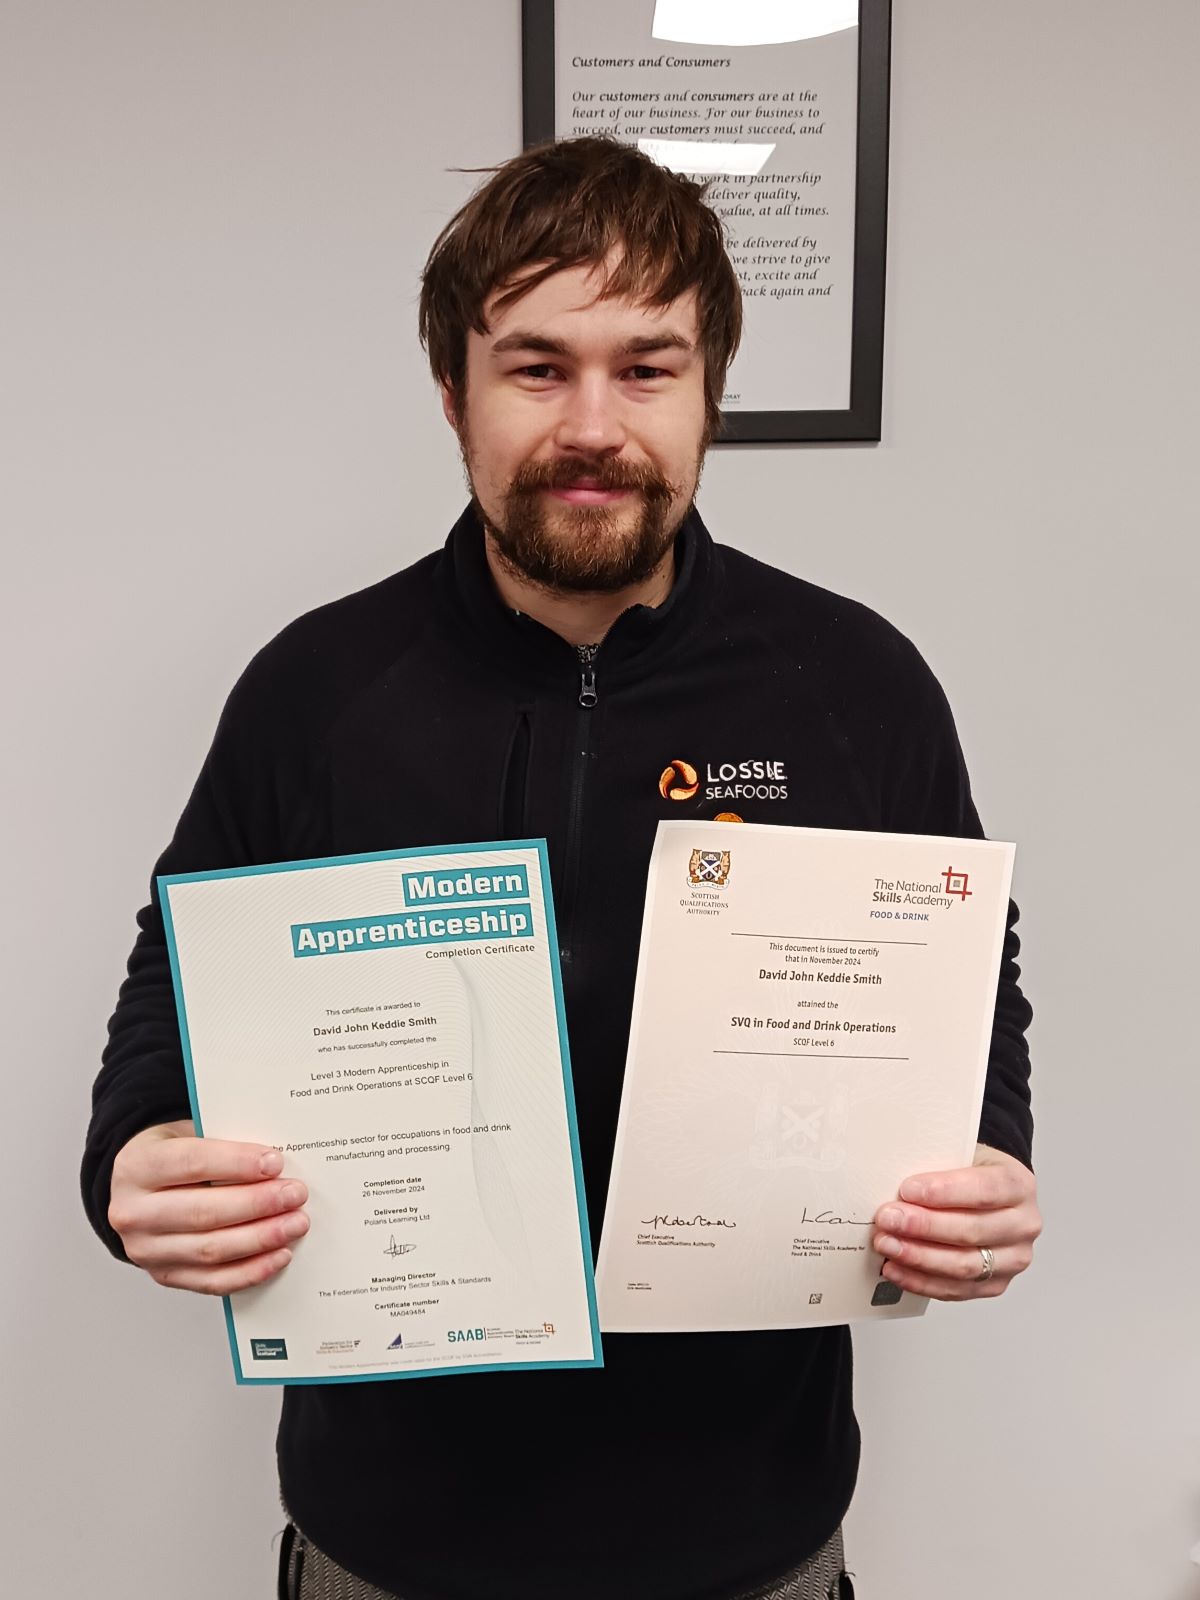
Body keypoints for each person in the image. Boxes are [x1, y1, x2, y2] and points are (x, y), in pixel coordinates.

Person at [82, 136, 1041, 1600]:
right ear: (452, 393)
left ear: (710, 388)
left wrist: (982, 1172)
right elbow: (181, 964)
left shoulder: (854, 684)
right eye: (536, 368)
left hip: (751, 1547)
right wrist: (139, 1153)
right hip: (388, 1549)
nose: (592, 424)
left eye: (645, 367)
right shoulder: (316, 687)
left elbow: (973, 991)